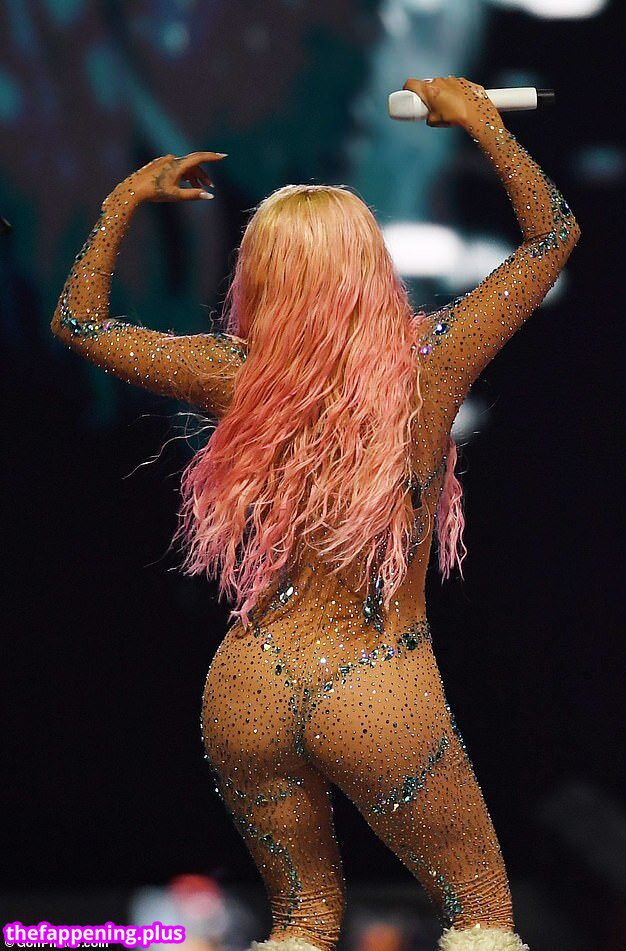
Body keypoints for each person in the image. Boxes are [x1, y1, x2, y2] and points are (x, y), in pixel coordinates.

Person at [51, 77, 580, 951]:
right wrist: (483, 123)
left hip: (247, 686)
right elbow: (553, 236)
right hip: (378, 683)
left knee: (301, 923)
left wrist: (120, 204)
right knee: (482, 913)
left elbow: (78, 321)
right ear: (369, 266)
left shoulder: (234, 372)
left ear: (259, 273)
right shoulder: (430, 361)